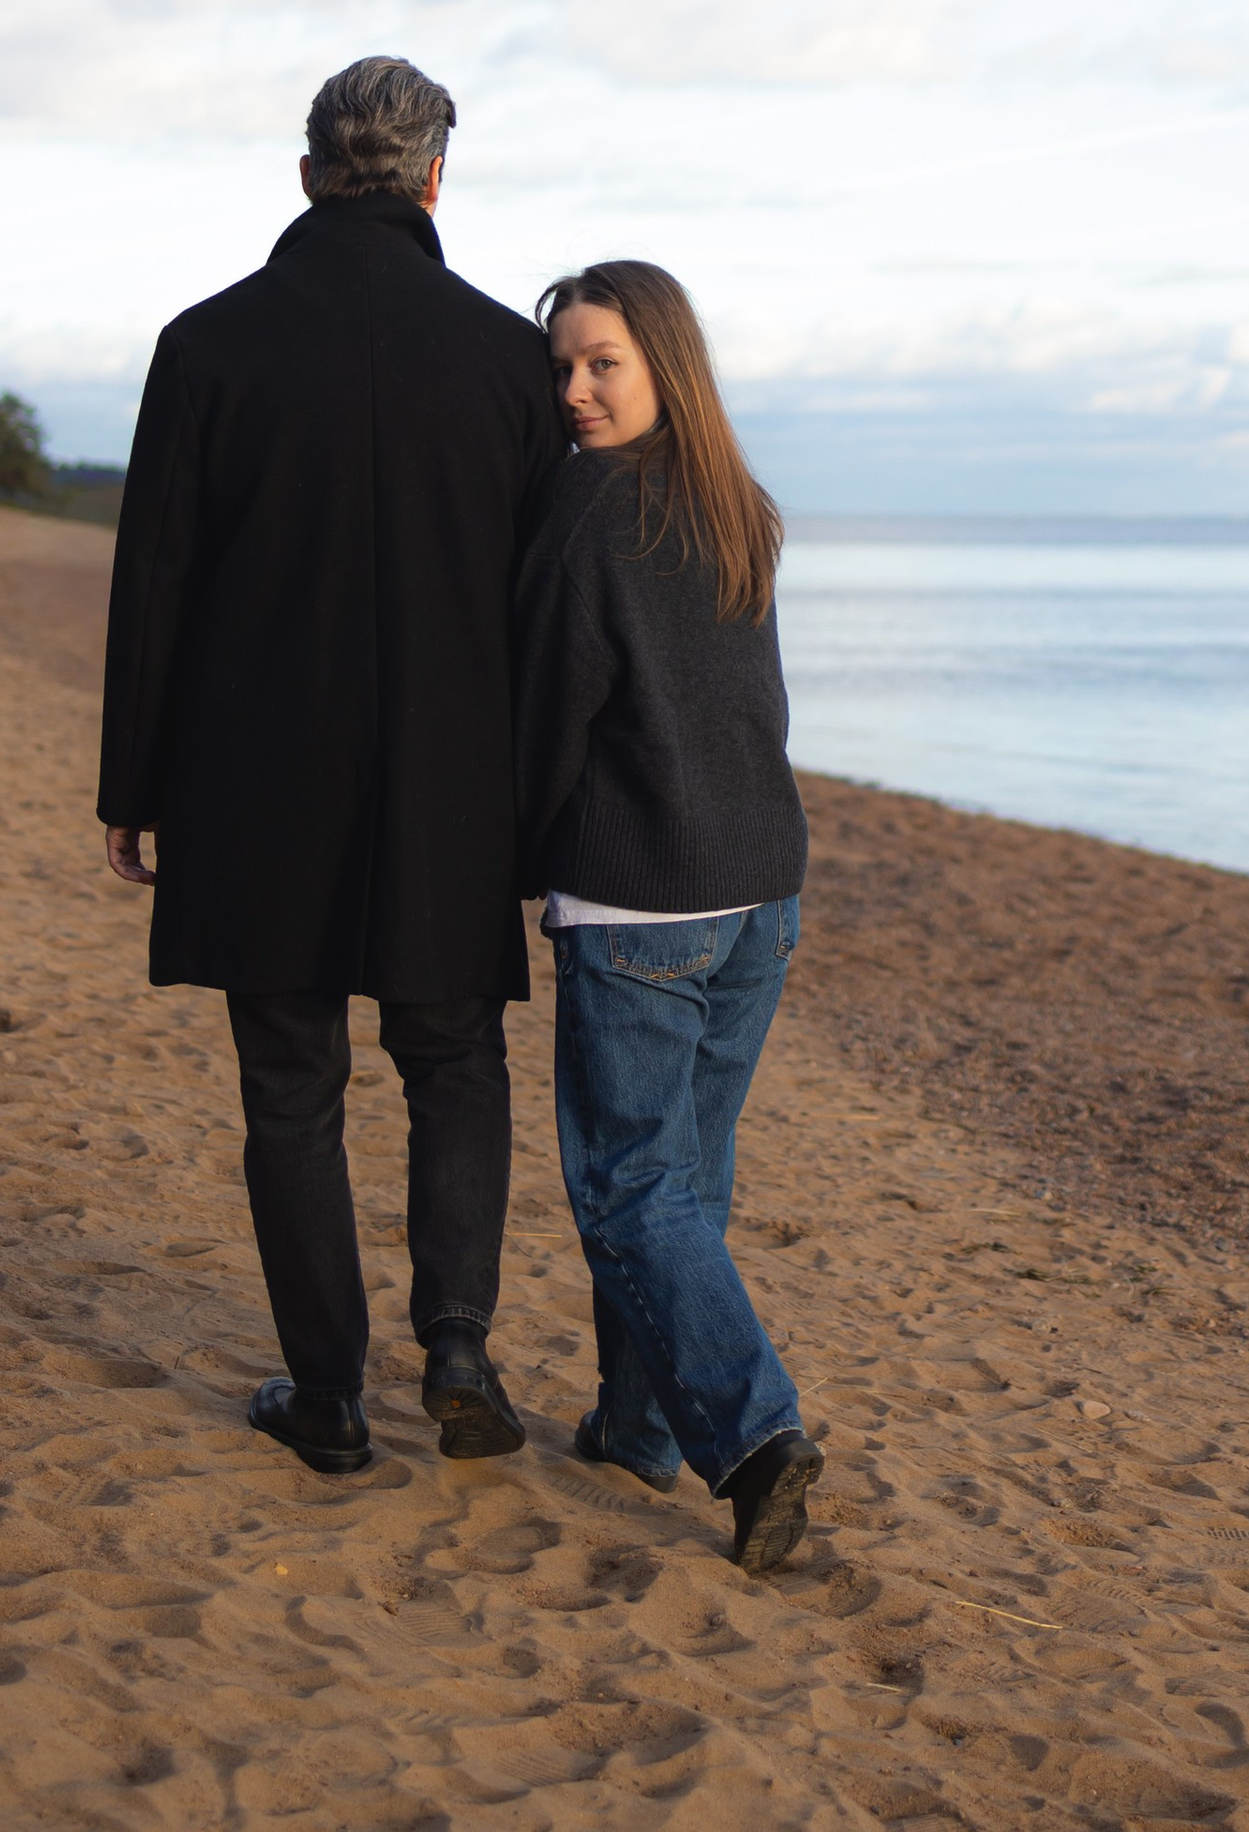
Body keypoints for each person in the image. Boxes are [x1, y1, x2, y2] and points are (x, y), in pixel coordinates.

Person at [97, 57, 567, 1478]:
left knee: (290, 1088)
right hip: (452, 782)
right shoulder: (508, 362)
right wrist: (551, 801)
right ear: (434, 178)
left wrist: (133, 786)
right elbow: (545, 608)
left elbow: (155, 582)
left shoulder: (207, 344)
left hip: (255, 782)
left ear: (308, 174)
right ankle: (463, 1345)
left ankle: (330, 1395)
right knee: (454, 1059)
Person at [511, 258, 820, 1575]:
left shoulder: (586, 508)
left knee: (633, 1192)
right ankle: (637, 1427)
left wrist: (507, 865)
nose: (574, 391)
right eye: (563, 366)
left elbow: (543, 719)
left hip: (642, 900)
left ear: (664, 366)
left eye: (602, 364)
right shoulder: (734, 502)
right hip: (761, 891)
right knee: (683, 1186)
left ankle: (752, 1440)